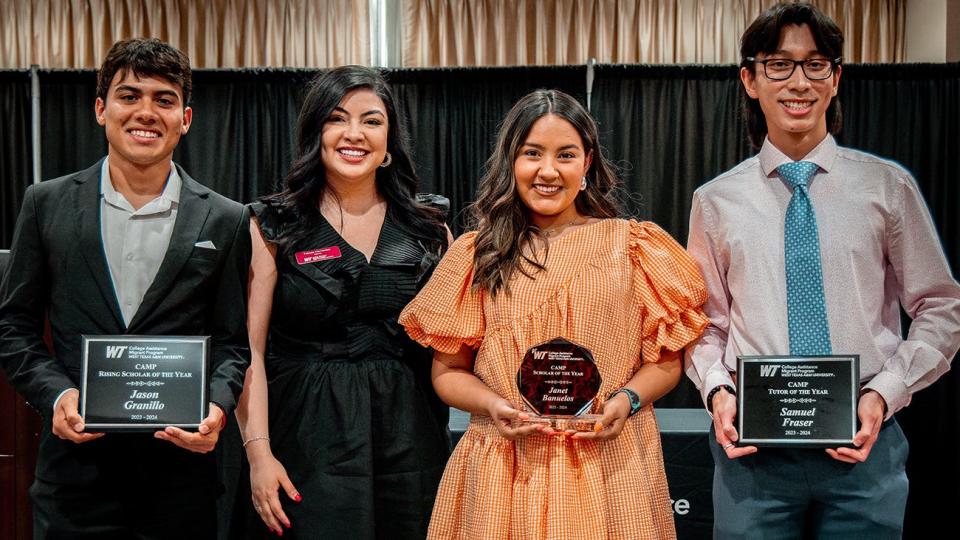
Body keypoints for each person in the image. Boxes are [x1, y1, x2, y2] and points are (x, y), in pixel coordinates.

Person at [684, 3, 960, 538]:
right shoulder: (714, 202)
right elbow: (704, 324)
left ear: (835, 80)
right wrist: (719, 393)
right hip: (753, 457)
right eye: (779, 65)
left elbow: (941, 307)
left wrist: (885, 392)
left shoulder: (887, 188)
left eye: (816, 65)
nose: (799, 82)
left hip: (867, 449)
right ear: (750, 79)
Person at [399, 89, 708, 539]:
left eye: (565, 154)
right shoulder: (477, 254)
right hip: (506, 465)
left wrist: (626, 401)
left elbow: (664, 362)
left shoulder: (633, 246)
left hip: (609, 464)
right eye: (532, 154)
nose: (548, 170)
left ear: (587, 163)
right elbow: (448, 373)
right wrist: (493, 405)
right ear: (512, 162)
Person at [0, 38, 250, 538]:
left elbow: (233, 342)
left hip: (180, 483)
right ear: (101, 109)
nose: (146, 112)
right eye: (129, 95)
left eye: (164, 99)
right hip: (73, 480)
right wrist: (56, 395)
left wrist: (218, 408)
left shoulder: (226, 218)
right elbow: (13, 327)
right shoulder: (45, 204)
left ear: (186, 117)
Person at [232, 65, 452, 539]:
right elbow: (248, 349)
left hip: (410, 440)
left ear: (390, 138)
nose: (355, 133)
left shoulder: (431, 229)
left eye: (371, 120)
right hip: (304, 438)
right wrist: (259, 454)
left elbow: (456, 349)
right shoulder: (273, 225)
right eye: (337, 118)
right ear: (317, 132)